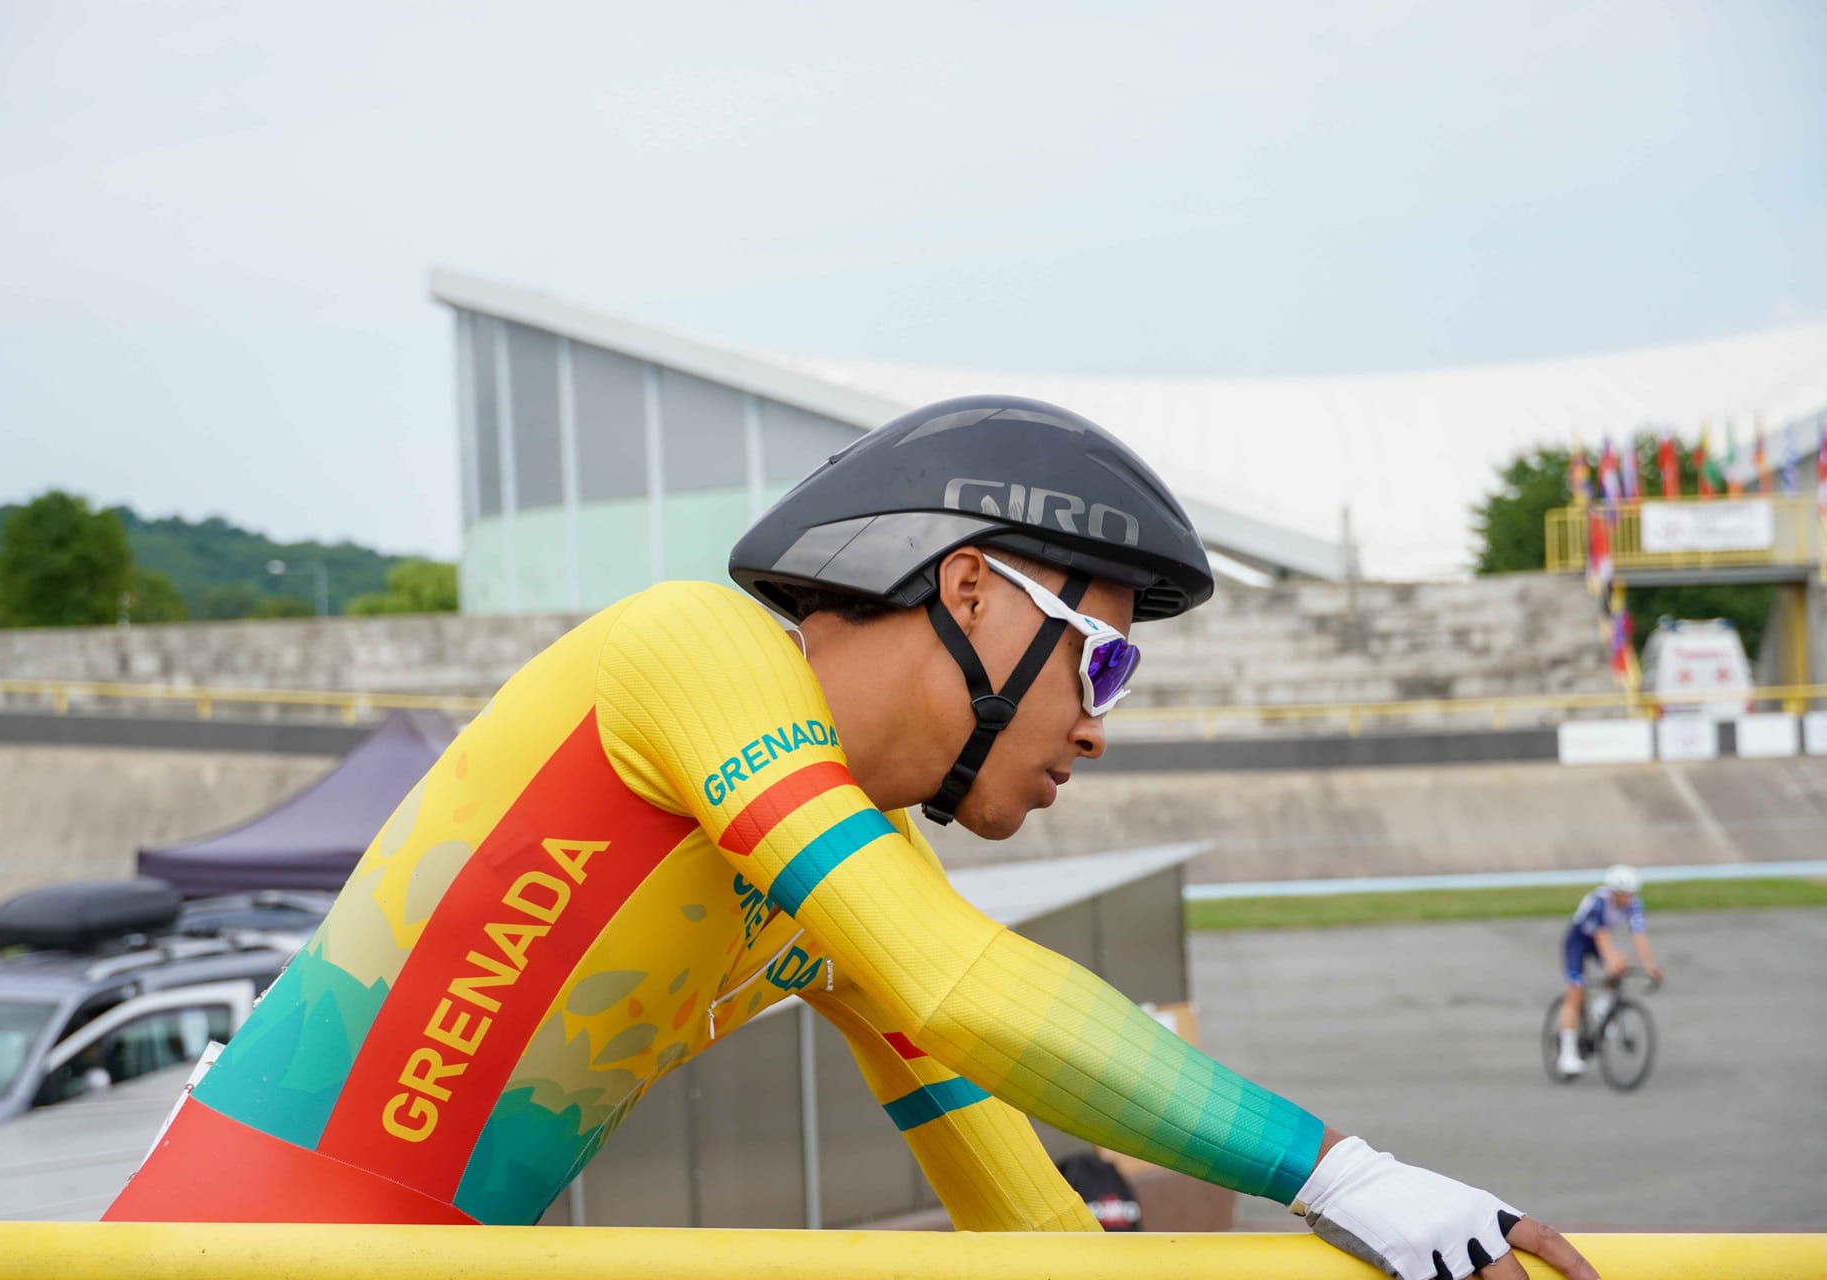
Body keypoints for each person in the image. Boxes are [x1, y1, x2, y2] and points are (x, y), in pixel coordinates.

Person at [106, 395, 1595, 1280]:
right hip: (212, 1250)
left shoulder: (839, 883)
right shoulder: (694, 657)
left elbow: (1024, 1213)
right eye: (1106, 656)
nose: (1096, 723)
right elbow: (957, 983)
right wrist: (1346, 1176)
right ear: (973, 594)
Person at [1555, 864, 1663, 1078]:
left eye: (1631, 895)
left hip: (1598, 942)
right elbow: (1601, 936)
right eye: (1624, 895)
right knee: (1575, 992)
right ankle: (1566, 1054)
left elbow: (1639, 935)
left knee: (1621, 962)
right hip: (1577, 943)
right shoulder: (1598, 903)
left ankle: (1604, 1004)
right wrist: (1610, 960)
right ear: (1613, 892)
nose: (1628, 900)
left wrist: (1649, 965)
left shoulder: (1633, 904)